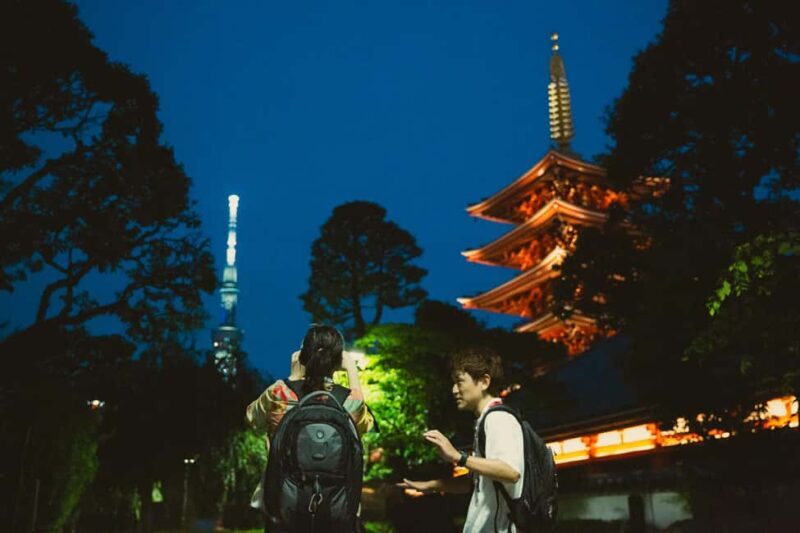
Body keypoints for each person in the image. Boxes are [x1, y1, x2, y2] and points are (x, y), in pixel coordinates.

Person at [245, 324, 373, 524]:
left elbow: (252, 417)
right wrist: (351, 370)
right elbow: (364, 425)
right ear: (338, 360)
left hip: (282, 502)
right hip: (337, 506)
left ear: (303, 356)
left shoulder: (279, 392)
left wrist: (293, 377)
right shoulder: (347, 400)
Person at [398, 347, 524, 533]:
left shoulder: (498, 418)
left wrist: (458, 457)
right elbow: (475, 482)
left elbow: (512, 472)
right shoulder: (485, 420)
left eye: (459, 382)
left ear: (484, 381)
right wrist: (431, 486)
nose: (454, 390)